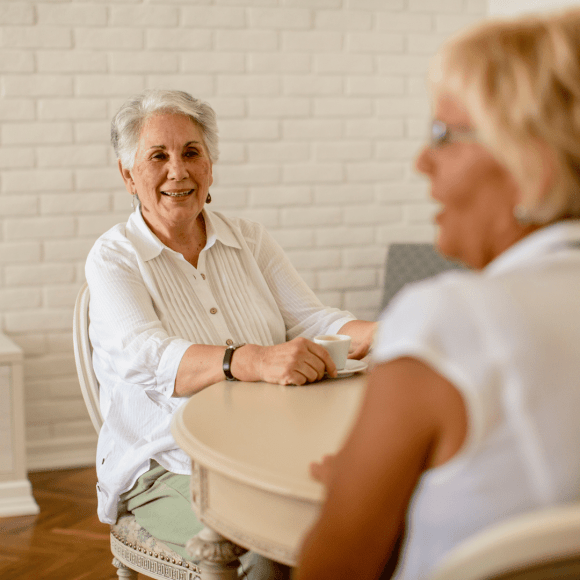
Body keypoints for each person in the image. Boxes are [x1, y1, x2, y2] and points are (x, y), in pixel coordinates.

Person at [296, 8, 580, 580]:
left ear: (533, 163)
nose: (422, 161)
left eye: (444, 136)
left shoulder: (447, 318)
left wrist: (361, 489)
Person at [85, 89, 376, 575]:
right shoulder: (114, 256)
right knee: (270, 552)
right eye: (158, 156)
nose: (178, 171)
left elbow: (313, 320)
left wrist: (393, 331)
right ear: (128, 175)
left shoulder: (250, 239)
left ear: (211, 167)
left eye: (191, 153)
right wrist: (254, 358)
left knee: (361, 523)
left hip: (266, 449)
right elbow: (146, 355)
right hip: (168, 464)